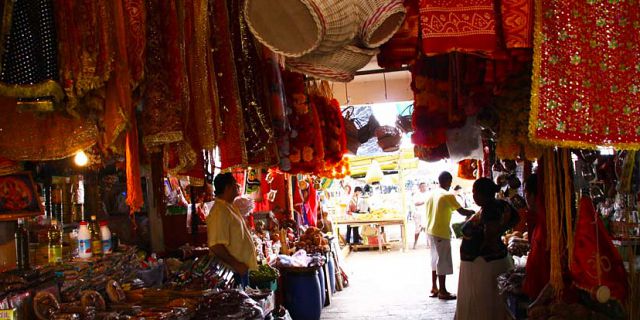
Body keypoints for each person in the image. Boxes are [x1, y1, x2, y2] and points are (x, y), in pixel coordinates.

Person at [455, 178, 519, 319]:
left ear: (482, 194)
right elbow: (515, 218)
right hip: (487, 261)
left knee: (481, 303)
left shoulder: (490, 209)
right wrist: (501, 231)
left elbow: (491, 231)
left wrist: (490, 240)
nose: (473, 196)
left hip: (483, 264)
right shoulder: (499, 205)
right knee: (488, 302)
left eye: (474, 192)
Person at [426, 172, 474, 300]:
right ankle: (443, 291)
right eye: (450, 181)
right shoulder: (448, 195)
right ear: (447, 181)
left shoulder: (432, 193)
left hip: (430, 230)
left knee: (434, 259)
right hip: (440, 231)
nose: (451, 184)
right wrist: (475, 212)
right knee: (443, 260)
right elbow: (462, 211)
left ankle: (434, 287)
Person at [206, 172, 258, 288]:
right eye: (235, 185)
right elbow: (215, 245)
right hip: (232, 273)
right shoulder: (219, 211)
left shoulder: (228, 207)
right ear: (228, 188)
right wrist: (237, 264)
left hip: (240, 270)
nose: (237, 187)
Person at [413, 182, 429, 249]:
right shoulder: (416, 195)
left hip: (427, 213)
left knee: (427, 229)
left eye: (425, 186)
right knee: (417, 229)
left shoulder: (428, 194)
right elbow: (416, 203)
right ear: (419, 187)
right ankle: (415, 243)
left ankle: (428, 244)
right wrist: (424, 202)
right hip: (418, 214)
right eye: (422, 186)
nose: (424, 188)